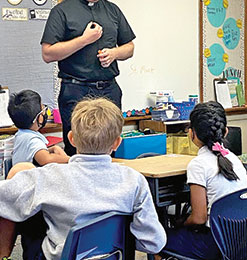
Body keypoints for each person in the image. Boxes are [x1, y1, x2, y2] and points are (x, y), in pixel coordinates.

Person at [0, 97, 166, 260]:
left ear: (71, 139)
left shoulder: (48, 176)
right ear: (116, 143)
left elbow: (4, 200)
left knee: (20, 193)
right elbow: (153, 243)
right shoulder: (134, 180)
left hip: (59, 256)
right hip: (114, 256)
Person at [41, 0, 136, 156]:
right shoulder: (62, 11)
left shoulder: (112, 10)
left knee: (110, 147)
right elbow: (48, 53)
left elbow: (130, 47)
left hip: (108, 89)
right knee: (77, 149)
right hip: (76, 90)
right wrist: (84, 40)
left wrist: (115, 53)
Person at [159, 101, 247, 260]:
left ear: (192, 133)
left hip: (214, 244)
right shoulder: (235, 160)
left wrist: (181, 223)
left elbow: (198, 218)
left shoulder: (198, 165)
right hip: (242, 242)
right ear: (226, 132)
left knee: (157, 239)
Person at [7, 89, 70, 166]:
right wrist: (70, 160)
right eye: (43, 108)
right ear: (40, 118)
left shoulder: (21, 134)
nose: (46, 112)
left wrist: (52, 149)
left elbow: (33, 153)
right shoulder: (33, 140)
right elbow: (46, 159)